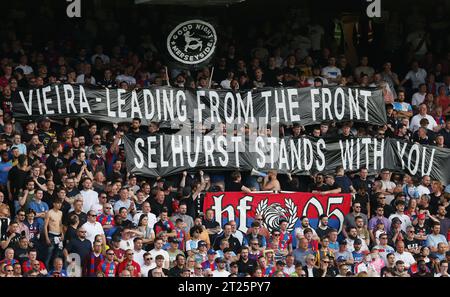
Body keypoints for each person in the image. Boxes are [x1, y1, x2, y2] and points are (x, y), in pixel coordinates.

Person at [43, 199, 64, 270]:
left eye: (60, 203)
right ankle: (47, 272)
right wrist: (47, 238)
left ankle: (55, 271)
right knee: (48, 255)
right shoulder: (49, 212)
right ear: (54, 204)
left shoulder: (61, 212)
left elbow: (60, 224)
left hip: (59, 235)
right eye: (58, 203)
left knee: (57, 255)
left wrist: (62, 234)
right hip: (51, 235)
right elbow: (45, 226)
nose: (59, 205)